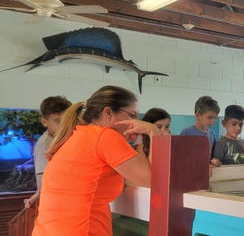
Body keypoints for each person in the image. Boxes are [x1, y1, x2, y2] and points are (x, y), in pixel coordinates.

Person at [32, 85, 157, 236]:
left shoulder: (74, 135)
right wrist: (152, 132)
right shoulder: (105, 136)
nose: (135, 122)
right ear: (108, 113)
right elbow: (153, 180)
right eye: (131, 115)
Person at [25, 96, 72, 209]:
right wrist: (39, 193)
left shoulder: (69, 137)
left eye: (67, 120)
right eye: (57, 121)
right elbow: (43, 183)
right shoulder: (43, 144)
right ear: (44, 122)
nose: (64, 125)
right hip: (60, 204)